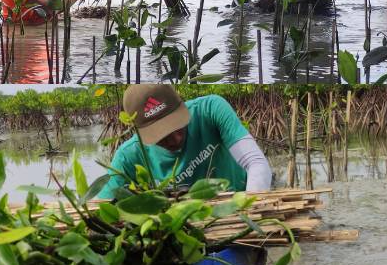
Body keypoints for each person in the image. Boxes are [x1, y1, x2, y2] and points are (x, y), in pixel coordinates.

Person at [98, 84, 272, 198]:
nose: (176, 139)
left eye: (178, 126)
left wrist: (250, 211)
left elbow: (256, 163)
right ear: (138, 130)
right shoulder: (128, 156)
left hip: (237, 204)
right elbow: (103, 206)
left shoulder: (211, 110)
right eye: (161, 136)